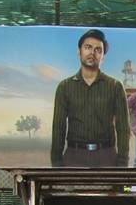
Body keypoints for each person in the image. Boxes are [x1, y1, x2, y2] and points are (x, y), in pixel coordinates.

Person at [49, 29, 129, 167]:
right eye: (88, 47)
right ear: (79, 51)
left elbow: (123, 129)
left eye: (98, 49)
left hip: (107, 156)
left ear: (103, 56)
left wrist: (122, 163)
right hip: (73, 157)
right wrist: (56, 163)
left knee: (109, 190)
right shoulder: (65, 87)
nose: (92, 52)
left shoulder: (115, 86)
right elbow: (58, 128)